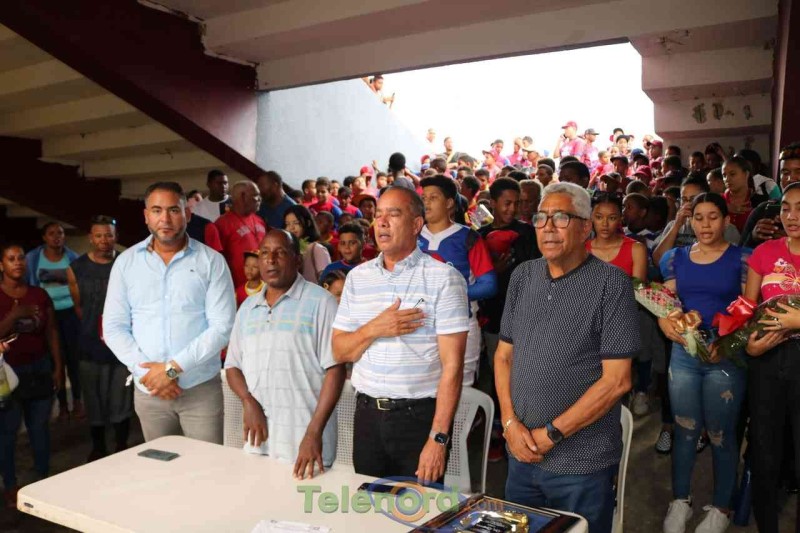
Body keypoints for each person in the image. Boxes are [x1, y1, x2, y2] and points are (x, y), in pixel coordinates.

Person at [497, 182, 639, 533]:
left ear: (585, 227)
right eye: (541, 218)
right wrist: (510, 424)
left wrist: (551, 435)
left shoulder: (611, 284)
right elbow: (503, 357)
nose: (548, 227)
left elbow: (617, 381)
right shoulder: (523, 276)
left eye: (560, 218)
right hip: (521, 455)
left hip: (581, 464)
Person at [331, 186, 469, 483]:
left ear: (416, 224)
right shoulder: (357, 278)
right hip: (367, 415)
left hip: (417, 420)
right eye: (379, 214)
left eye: (393, 214)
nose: (381, 222)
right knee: (368, 505)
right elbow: (340, 351)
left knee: (418, 507)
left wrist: (438, 438)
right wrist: (376, 328)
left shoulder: (444, 279)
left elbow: (453, 367)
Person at [103, 182, 235, 444]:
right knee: (161, 465)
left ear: (187, 214)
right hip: (150, 391)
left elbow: (222, 327)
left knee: (207, 465)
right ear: (146, 216)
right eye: (157, 210)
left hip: (199, 390)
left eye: (174, 210)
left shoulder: (211, 261)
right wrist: (150, 375)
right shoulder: (126, 263)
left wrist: (171, 371)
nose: (165, 219)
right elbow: (113, 328)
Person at [658, 193, 750, 533]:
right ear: (690, 220)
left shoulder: (743, 259)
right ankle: (680, 500)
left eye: (713, 217)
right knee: (685, 429)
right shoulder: (675, 258)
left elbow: (750, 309)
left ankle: (721, 507)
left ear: (726, 221)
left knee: (721, 433)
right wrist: (665, 321)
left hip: (726, 354)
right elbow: (668, 302)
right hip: (685, 352)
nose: (705, 224)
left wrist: (727, 343)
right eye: (698, 217)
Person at [225, 230, 346, 478]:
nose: (271, 260)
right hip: (260, 442)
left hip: (306, 445)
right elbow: (233, 366)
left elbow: (335, 370)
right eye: (265, 253)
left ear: (297, 260)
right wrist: (248, 401)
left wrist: (313, 432)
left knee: (307, 502)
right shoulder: (248, 308)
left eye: (280, 252)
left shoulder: (321, 302)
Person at [743, 180, 800, 533]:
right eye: (787, 208)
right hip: (766, 358)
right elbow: (746, 309)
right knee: (764, 450)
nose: (792, 216)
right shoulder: (765, 252)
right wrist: (748, 345)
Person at [0, 243, 64, 509]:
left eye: (21, 258)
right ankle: (10, 484)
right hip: (8, 374)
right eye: (11, 258)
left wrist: (58, 367)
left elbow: (52, 332)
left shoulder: (39, 294)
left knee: (40, 428)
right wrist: (15, 314)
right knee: (8, 432)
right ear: (2, 265)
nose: (18, 262)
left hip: (39, 368)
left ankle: (42, 479)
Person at [418, 175, 497, 386]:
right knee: (423, 388)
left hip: (461, 325)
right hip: (420, 325)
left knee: (460, 387)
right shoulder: (411, 236)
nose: (426, 203)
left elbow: (489, 285)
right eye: (423, 198)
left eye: (433, 197)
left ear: (449, 203)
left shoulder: (468, 237)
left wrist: (450, 293)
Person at [66, 217, 133, 462]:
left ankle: (122, 445)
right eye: (99, 235)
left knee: (121, 399)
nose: (104, 240)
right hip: (90, 344)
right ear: (90, 238)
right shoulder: (76, 268)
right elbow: (79, 307)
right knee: (93, 400)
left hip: (123, 345)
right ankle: (98, 448)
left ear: (116, 236)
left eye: (109, 235)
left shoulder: (127, 263)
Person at [587, 194, 655, 417]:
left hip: (622, 324)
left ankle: (637, 394)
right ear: (591, 218)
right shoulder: (581, 249)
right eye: (599, 217)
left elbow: (637, 292)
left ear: (620, 219)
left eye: (612, 217)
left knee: (616, 387)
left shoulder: (635, 248)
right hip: (589, 327)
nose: (605, 224)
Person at [25, 222, 81, 421]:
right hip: (46, 315)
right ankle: (62, 405)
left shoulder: (72, 257)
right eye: (51, 233)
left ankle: (78, 402)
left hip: (70, 313)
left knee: (74, 359)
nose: (56, 237)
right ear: (44, 237)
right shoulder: (33, 258)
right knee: (55, 360)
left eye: (60, 233)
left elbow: (79, 284)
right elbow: (28, 285)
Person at [653, 177, 741, 265]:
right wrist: (676, 226)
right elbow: (658, 261)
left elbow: (730, 263)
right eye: (684, 199)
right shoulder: (673, 225)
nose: (687, 204)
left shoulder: (725, 227)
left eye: (693, 199)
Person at [740, 142, 800, 248]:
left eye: (799, 172)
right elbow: (740, 254)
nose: (791, 179)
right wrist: (753, 237)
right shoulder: (762, 210)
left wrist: (793, 240)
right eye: (785, 173)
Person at [215, 180, 267, 288]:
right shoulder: (222, 224)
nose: (259, 199)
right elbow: (218, 261)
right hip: (239, 288)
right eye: (256, 195)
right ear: (243, 196)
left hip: (263, 286)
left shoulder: (260, 220)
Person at [284, 205, 331, 283]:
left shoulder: (317, 249)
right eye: (287, 224)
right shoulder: (287, 250)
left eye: (296, 223)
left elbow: (327, 281)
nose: (291, 228)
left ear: (308, 223)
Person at [722, 156, 768, 233]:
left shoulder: (760, 201)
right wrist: (723, 207)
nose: (727, 179)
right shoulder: (718, 201)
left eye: (732, 174)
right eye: (724, 175)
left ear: (746, 174)